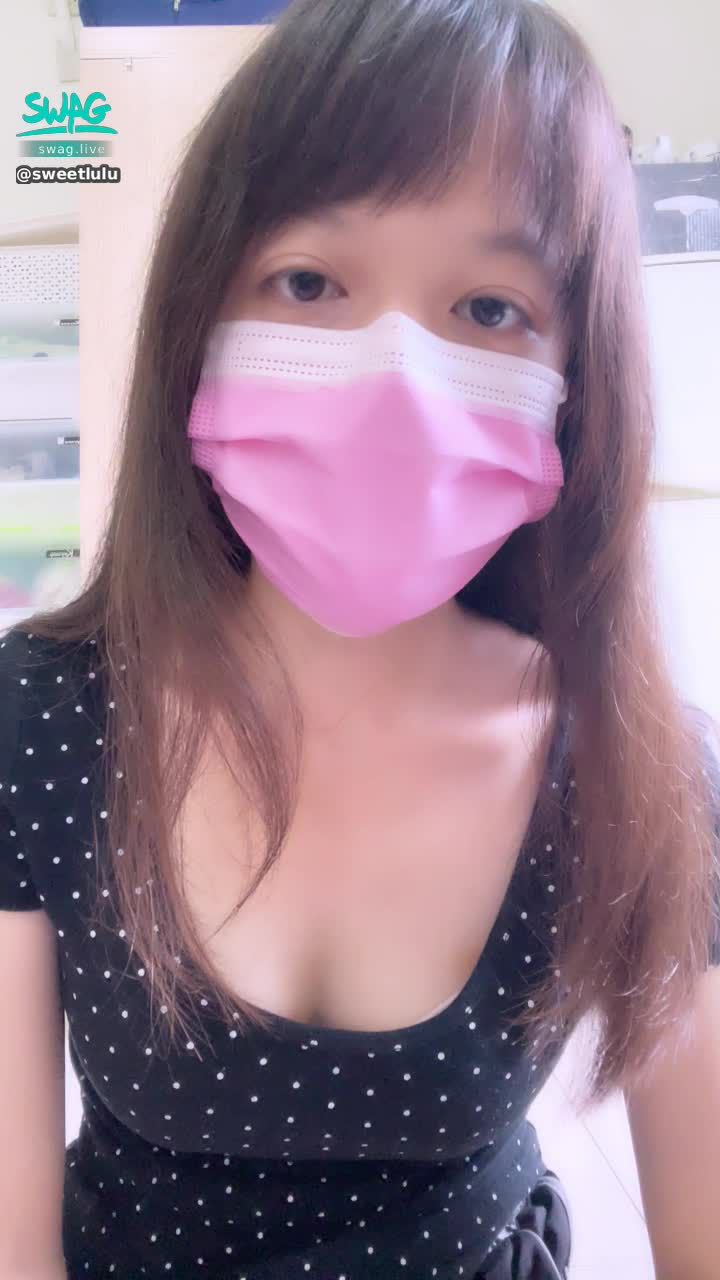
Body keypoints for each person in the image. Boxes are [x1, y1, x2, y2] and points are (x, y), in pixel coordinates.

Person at [1, 1, 719, 1278]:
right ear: (199, 313)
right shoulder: (43, 715)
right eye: (310, 281)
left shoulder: (646, 766)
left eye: (489, 306)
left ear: (576, 384)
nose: (397, 373)